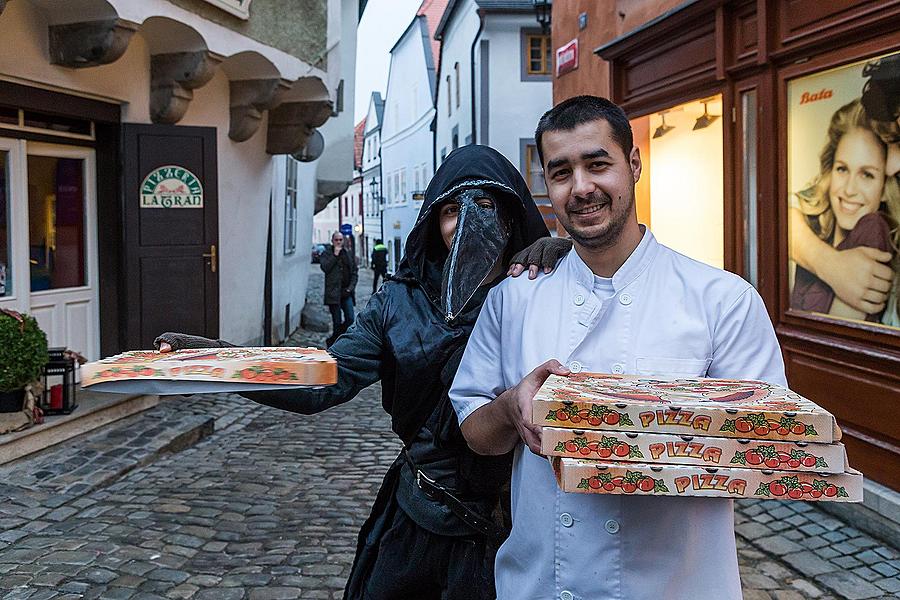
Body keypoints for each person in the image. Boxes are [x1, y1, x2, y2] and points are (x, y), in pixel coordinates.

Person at [155, 144, 571, 600]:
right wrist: (219, 359)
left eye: (485, 205)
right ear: (436, 222)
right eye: (453, 209)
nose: (467, 221)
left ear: (511, 216)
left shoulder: (543, 289)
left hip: (513, 525)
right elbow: (323, 377)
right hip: (419, 518)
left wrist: (574, 263)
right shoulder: (398, 302)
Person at [449, 96, 787, 600]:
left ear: (633, 164)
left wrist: (648, 437)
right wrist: (512, 407)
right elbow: (477, 432)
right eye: (561, 172)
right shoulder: (513, 298)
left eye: (597, 164)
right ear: (547, 184)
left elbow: (768, 448)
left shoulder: (723, 300)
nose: (581, 187)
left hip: (679, 587)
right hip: (540, 584)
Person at [790, 54, 900, 325]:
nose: (849, 189)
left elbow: (834, 339)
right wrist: (827, 262)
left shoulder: (872, 229)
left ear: (885, 188)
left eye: (867, 174)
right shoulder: (817, 225)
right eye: (842, 169)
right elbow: (778, 214)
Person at [320, 231, 358, 345]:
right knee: (336, 322)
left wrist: (350, 288)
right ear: (332, 241)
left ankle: (335, 340)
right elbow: (325, 268)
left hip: (346, 293)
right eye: (336, 240)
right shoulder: (327, 253)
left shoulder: (348, 254)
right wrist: (335, 255)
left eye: (340, 240)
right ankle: (335, 343)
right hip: (333, 294)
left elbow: (354, 273)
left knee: (350, 318)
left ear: (343, 241)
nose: (338, 242)